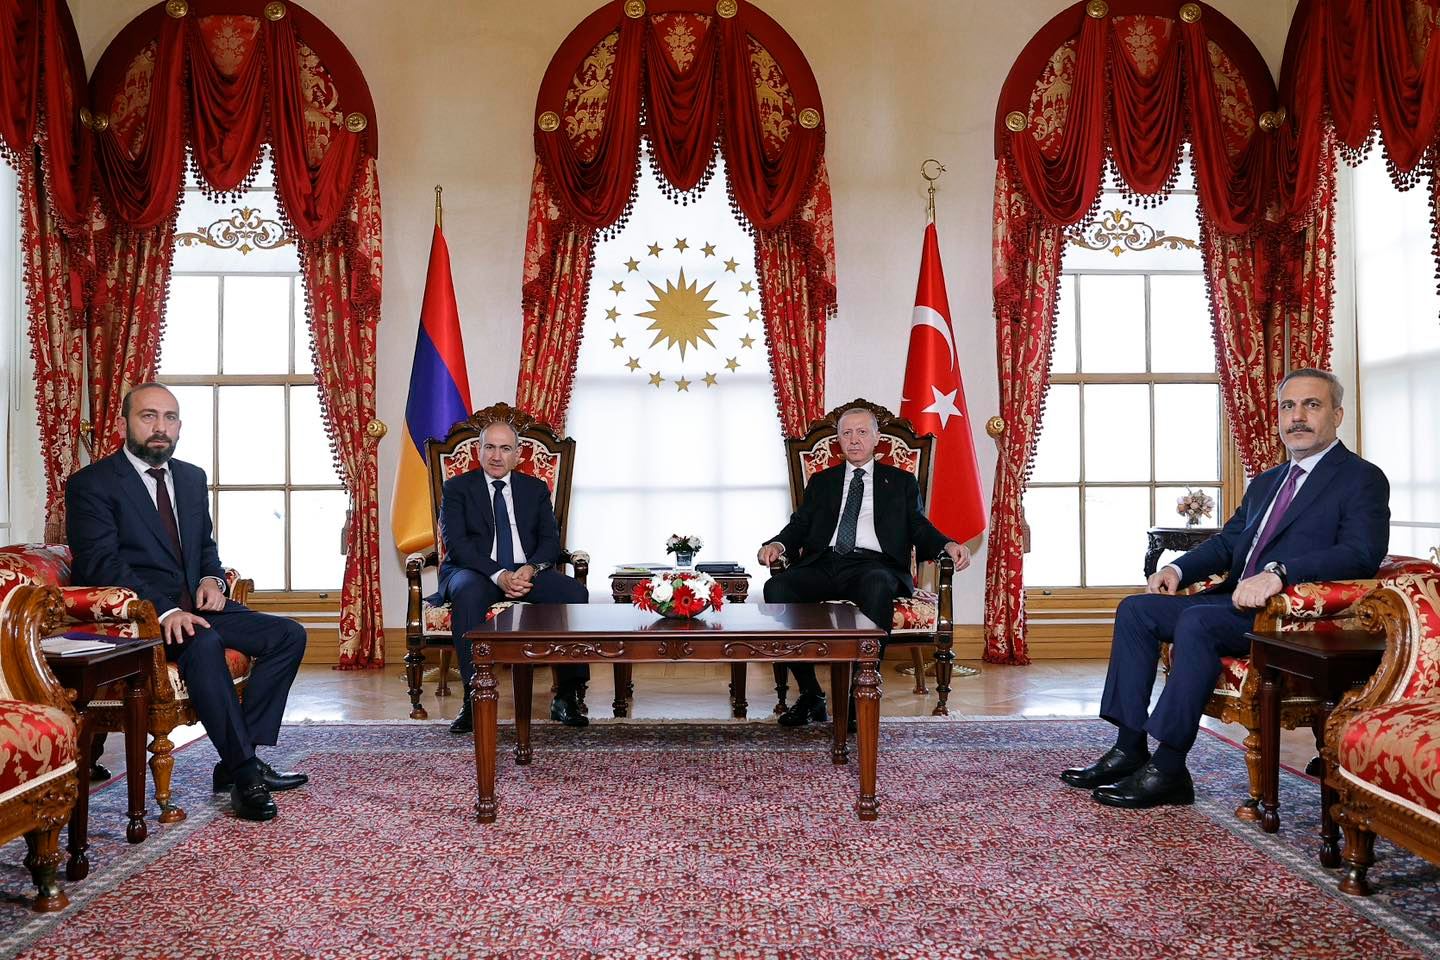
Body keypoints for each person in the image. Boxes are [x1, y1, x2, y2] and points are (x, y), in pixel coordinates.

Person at [1061, 368, 1390, 809]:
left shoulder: (1361, 478)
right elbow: (1229, 542)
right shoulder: (1269, 482)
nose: (1297, 416)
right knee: (1136, 610)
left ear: (1337, 414)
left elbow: (1360, 554)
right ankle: (1129, 747)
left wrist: (1280, 572)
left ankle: (1169, 768)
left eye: (1311, 405)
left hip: (1288, 615)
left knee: (1197, 621)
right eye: (1287, 406)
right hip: (1233, 602)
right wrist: (1177, 569)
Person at [66, 383, 308, 823]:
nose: (160, 427)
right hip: (139, 618)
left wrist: (212, 580)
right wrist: (166, 610)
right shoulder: (92, 484)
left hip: (196, 608)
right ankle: (246, 776)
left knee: (288, 635)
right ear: (124, 423)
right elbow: (101, 563)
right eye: (148, 416)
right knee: (204, 643)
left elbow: (204, 548)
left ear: (179, 426)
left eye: (170, 417)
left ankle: (238, 761)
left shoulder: (192, 478)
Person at [758, 406, 972, 727]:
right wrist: (777, 544)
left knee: (876, 583)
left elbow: (918, 526)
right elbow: (799, 525)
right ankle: (811, 694)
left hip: (874, 565)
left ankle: (858, 694)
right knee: (776, 588)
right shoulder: (822, 481)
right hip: (824, 562)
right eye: (846, 433)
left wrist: (947, 545)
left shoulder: (900, 482)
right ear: (838, 441)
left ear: (876, 438)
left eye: (861, 432)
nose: (854, 440)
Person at [438, 420, 589, 734]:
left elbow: (550, 542)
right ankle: (473, 697)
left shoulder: (534, 489)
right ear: (478, 451)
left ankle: (567, 696)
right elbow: (457, 544)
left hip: (525, 570)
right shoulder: (457, 488)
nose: (497, 456)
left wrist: (530, 568)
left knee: (575, 593)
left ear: (518, 454)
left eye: (505, 448)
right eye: (490, 447)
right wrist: (499, 574)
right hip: (475, 571)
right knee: (467, 592)